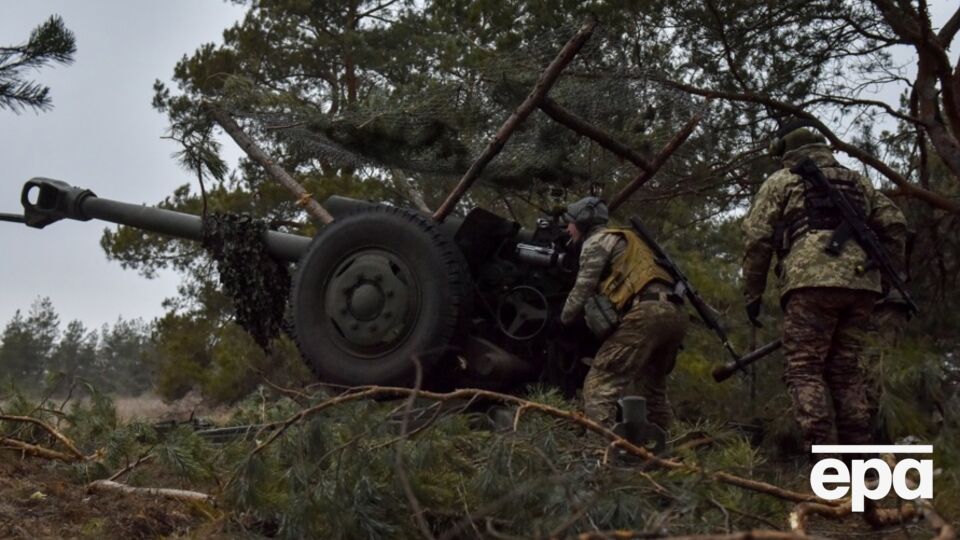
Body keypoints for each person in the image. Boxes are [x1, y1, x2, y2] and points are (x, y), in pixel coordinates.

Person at [741, 125, 907, 451]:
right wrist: (884, 277)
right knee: (847, 372)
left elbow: (757, 237)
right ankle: (859, 462)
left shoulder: (784, 180)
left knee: (804, 369)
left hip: (810, 282)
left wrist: (753, 292)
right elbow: (895, 223)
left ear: (789, 155)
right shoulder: (859, 181)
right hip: (862, 286)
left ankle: (823, 462)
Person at [559, 196, 687, 429]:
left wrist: (563, 319)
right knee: (653, 391)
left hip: (647, 312)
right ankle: (679, 453)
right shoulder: (631, 241)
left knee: (598, 385)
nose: (567, 229)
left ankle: (604, 454)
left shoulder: (598, 241)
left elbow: (583, 289)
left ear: (583, 223)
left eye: (569, 223)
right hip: (675, 313)